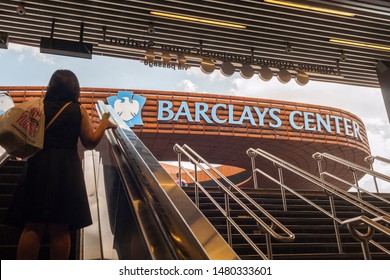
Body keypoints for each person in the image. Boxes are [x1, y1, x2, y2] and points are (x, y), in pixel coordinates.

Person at [5, 69, 116, 259]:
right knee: (60, 228)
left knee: (32, 226)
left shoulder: (38, 107)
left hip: (37, 165)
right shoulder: (77, 110)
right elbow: (89, 142)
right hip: (66, 169)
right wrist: (104, 125)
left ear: (52, 85)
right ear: (74, 88)